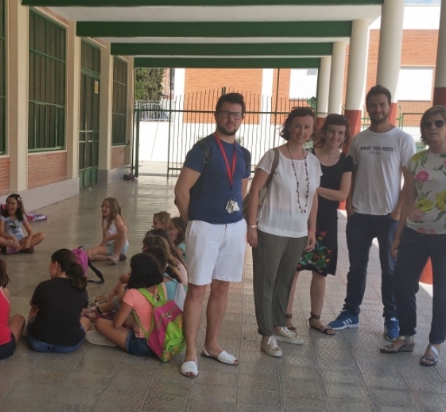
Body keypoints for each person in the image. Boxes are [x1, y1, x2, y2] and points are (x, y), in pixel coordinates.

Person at [380, 105, 446, 366]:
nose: (433, 127)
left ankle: (435, 344)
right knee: (401, 283)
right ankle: (406, 335)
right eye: (427, 123)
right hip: (414, 232)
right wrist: (398, 236)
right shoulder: (416, 160)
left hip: (445, 236)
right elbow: (409, 199)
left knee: (444, 290)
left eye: (438, 123)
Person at [328, 85, 416, 341]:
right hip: (360, 215)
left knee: (390, 270)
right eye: (373, 105)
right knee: (356, 267)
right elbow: (352, 174)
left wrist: (397, 211)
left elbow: (410, 181)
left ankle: (392, 317)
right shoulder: (359, 140)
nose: (377, 109)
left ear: (389, 107)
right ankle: (351, 313)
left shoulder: (402, 139)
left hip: (389, 216)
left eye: (382, 104)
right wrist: (350, 206)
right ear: (367, 108)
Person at [174, 92, 251, 377]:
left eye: (236, 114)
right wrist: (192, 222)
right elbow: (181, 191)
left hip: (234, 226)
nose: (231, 118)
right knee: (197, 289)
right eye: (226, 113)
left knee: (222, 287)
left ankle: (211, 345)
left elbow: (241, 191)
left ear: (242, 119)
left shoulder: (244, 154)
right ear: (216, 115)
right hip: (205, 226)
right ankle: (191, 353)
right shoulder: (202, 149)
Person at [246, 107, 320, 357]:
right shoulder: (273, 156)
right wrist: (252, 226)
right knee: (266, 282)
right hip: (270, 229)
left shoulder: (313, 161)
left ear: (312, 130)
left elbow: (313, 197)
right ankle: (266, 333)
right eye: (297, 125)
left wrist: (311, 229)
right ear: (288, 127)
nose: (302, 131)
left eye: (307, 127)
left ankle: (278, 325)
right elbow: (255, 190)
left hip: (297, 232)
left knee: (285, 281)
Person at [284, 114, 353, 336]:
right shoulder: (308, 155)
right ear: (323, 132)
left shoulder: (346, 161)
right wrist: (315, 190)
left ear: (345, 136)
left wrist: (314, 188)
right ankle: (286, 317)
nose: (335, 136)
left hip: (327, 222)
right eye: (331, 131)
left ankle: (315, 318)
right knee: (293, 271)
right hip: (300, 219)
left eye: (340, 133)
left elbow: (342, 195)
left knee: (320, 272)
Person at [94, 253, 166, 357]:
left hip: (142, 345)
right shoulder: (161, 286)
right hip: (160, 339)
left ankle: (115, 340)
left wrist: (121, 293)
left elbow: (116, 325)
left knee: (100, 322)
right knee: (129, 320)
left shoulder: (132, 294)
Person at [27, 249, 91, 353]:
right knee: (86, 321)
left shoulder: (44, 286)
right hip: (69, 346)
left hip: (38, 343)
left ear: (55, 265)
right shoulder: (81, 289)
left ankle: (35, 331)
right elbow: (80, 314)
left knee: (34, 309)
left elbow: (33, 306)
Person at [87, 198, 129, 265]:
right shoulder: (105, 220)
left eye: (107, 207)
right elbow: (104, 238)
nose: (103, 208)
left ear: (113, 209)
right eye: (103, 206)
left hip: (119, 245)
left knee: (123, 228)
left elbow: (122, 232)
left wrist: (108, 238)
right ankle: (109, 257)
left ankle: (116, 255)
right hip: (109, 246)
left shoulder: (117, 218)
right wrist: (100, 246)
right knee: (88, 254)